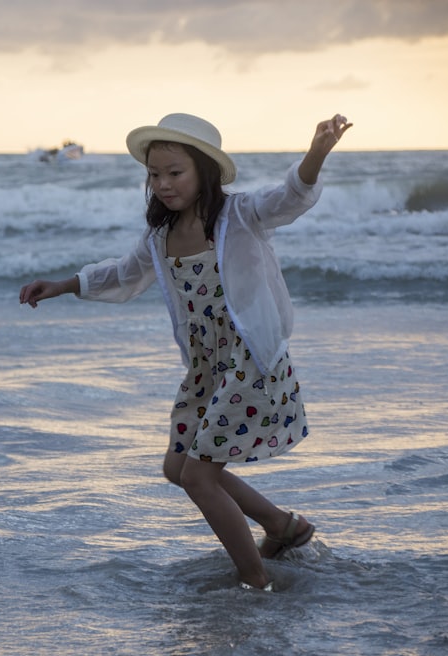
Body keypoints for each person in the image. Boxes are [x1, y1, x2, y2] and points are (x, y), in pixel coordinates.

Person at [20, 112, 352, 590]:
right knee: (177, 468)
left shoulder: (240, 216)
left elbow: (289, 197)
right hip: (207, 369)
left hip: (250, 362)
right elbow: (123, 274)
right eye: (154, 174)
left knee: (198, 477)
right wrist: (63, 285)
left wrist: (317, 152)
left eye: (175, 172)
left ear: (205, 172)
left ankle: (255, 582)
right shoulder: (160, 237)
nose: (163, 184)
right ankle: (283, 526)